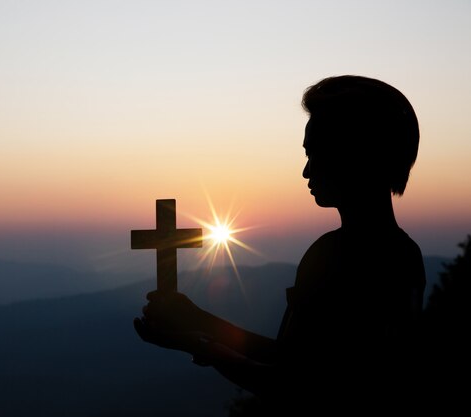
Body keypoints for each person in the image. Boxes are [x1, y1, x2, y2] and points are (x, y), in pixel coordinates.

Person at [133, 75, 426, 411]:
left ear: (357, 153)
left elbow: (296, 386)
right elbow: (294, 358)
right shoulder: (401, 252)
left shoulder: (341, 256)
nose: (306, 171)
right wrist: (198, 320)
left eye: (318, 153)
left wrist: (197, 343)